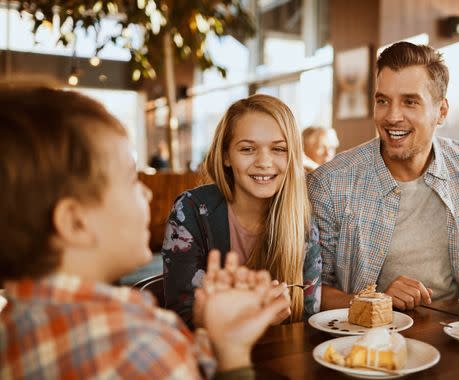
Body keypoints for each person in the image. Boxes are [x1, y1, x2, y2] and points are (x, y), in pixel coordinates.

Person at [0, 85, 290, 378]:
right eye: (131, 180)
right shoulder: (143, 347)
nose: (148, 195)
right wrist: (234, 359)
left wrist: (222, 340)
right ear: (75, 222)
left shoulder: (12, 327)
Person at [308, 42, 459, 311]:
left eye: (410, 102)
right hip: (369, 343)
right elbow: (313, 289)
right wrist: (376, 303)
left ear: (441, 112)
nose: (392, 116)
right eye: (383, 101)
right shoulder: (331, 183)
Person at [162, 94, 321, 329]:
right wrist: (254, 319)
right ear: (226, 155)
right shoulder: (191, 211)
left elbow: (308, 316)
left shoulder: (301, 220)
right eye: (247, 149)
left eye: (278, 149)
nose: (264, 162)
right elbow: (181, 318)